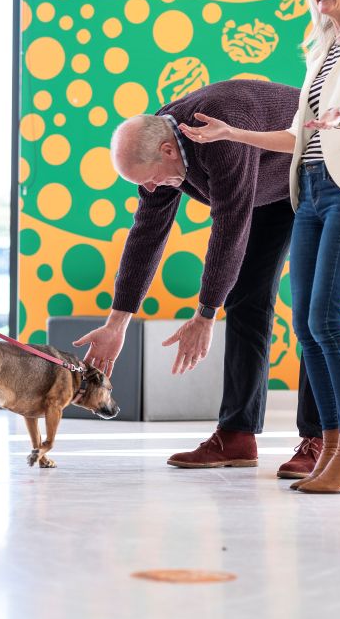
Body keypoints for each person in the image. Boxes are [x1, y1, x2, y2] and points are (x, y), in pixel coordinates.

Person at [180, 0, 340, 494]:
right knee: (307, 325)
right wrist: (231, 135)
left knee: (326, 319)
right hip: (309, 192)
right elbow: (298, 137)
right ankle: (331, 447)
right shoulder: (321, 50)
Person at [74, 79, 325, 476]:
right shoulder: (156, 139)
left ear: (168, 150)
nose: (151, 189)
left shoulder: (217, 135)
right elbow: (146, 235)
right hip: (263, 182)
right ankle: (237, 434)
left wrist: (205, 314)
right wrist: (117, 322)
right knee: (246, 299)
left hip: (315, 170)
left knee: (316, 310)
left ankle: (319, 438)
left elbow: (229, 225)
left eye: (150, 179)